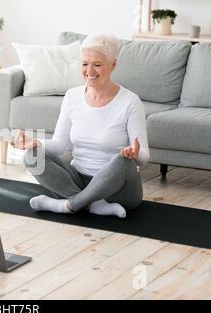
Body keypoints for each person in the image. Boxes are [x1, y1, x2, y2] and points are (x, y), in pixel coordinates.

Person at [11, 33, 149, 219]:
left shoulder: (130, 102)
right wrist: (36, 143)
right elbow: (61, 144)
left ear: (113, 65)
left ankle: (66, 205)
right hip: (79, 180)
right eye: (85, 64)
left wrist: (134, 154)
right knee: (33, 157)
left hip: (119, 190)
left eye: (97, 64)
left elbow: (144, 157)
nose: (89, 70)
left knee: (121, 160)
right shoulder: (72, 96)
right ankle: (91, 204)